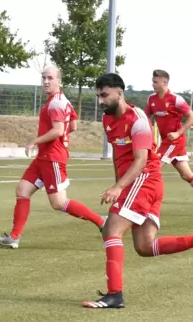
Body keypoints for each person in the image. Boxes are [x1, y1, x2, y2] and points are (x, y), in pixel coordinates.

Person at [83, 73, 193, 309]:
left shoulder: (138, 120)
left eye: (104, 95)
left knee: (111, 230)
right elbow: (116, 154)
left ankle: (115, 295)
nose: (100, 101)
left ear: (119, 93)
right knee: (145, 247)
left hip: (144, 180)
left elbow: (141, 160)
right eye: (98, 96)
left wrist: (119, 187)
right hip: (139, 183)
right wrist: (117, 183)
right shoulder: (108, 119)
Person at [0, 66, 105, 249]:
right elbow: (73, 125)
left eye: (50, 78)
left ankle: (101, 222)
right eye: (44, 78)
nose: (46, 81)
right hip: (44, 157)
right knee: (22, 190)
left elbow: (59, 130)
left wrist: (35, 140)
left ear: (59, 81)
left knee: (59, 203)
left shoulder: (56, 103)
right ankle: (14, 237)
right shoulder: (62, 101)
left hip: (52, 158)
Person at [144, 69, 193, 186]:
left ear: (164, 83)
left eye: (155, 82)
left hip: (175, 141)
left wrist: (178, 133)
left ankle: (143, 201)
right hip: (166, 140)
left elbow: (191, 117)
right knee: (187, 176)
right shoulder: (151, 99)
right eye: (152, 81)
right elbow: (146, 118)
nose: (153, 84)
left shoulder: (176, 99)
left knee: (152, 167)